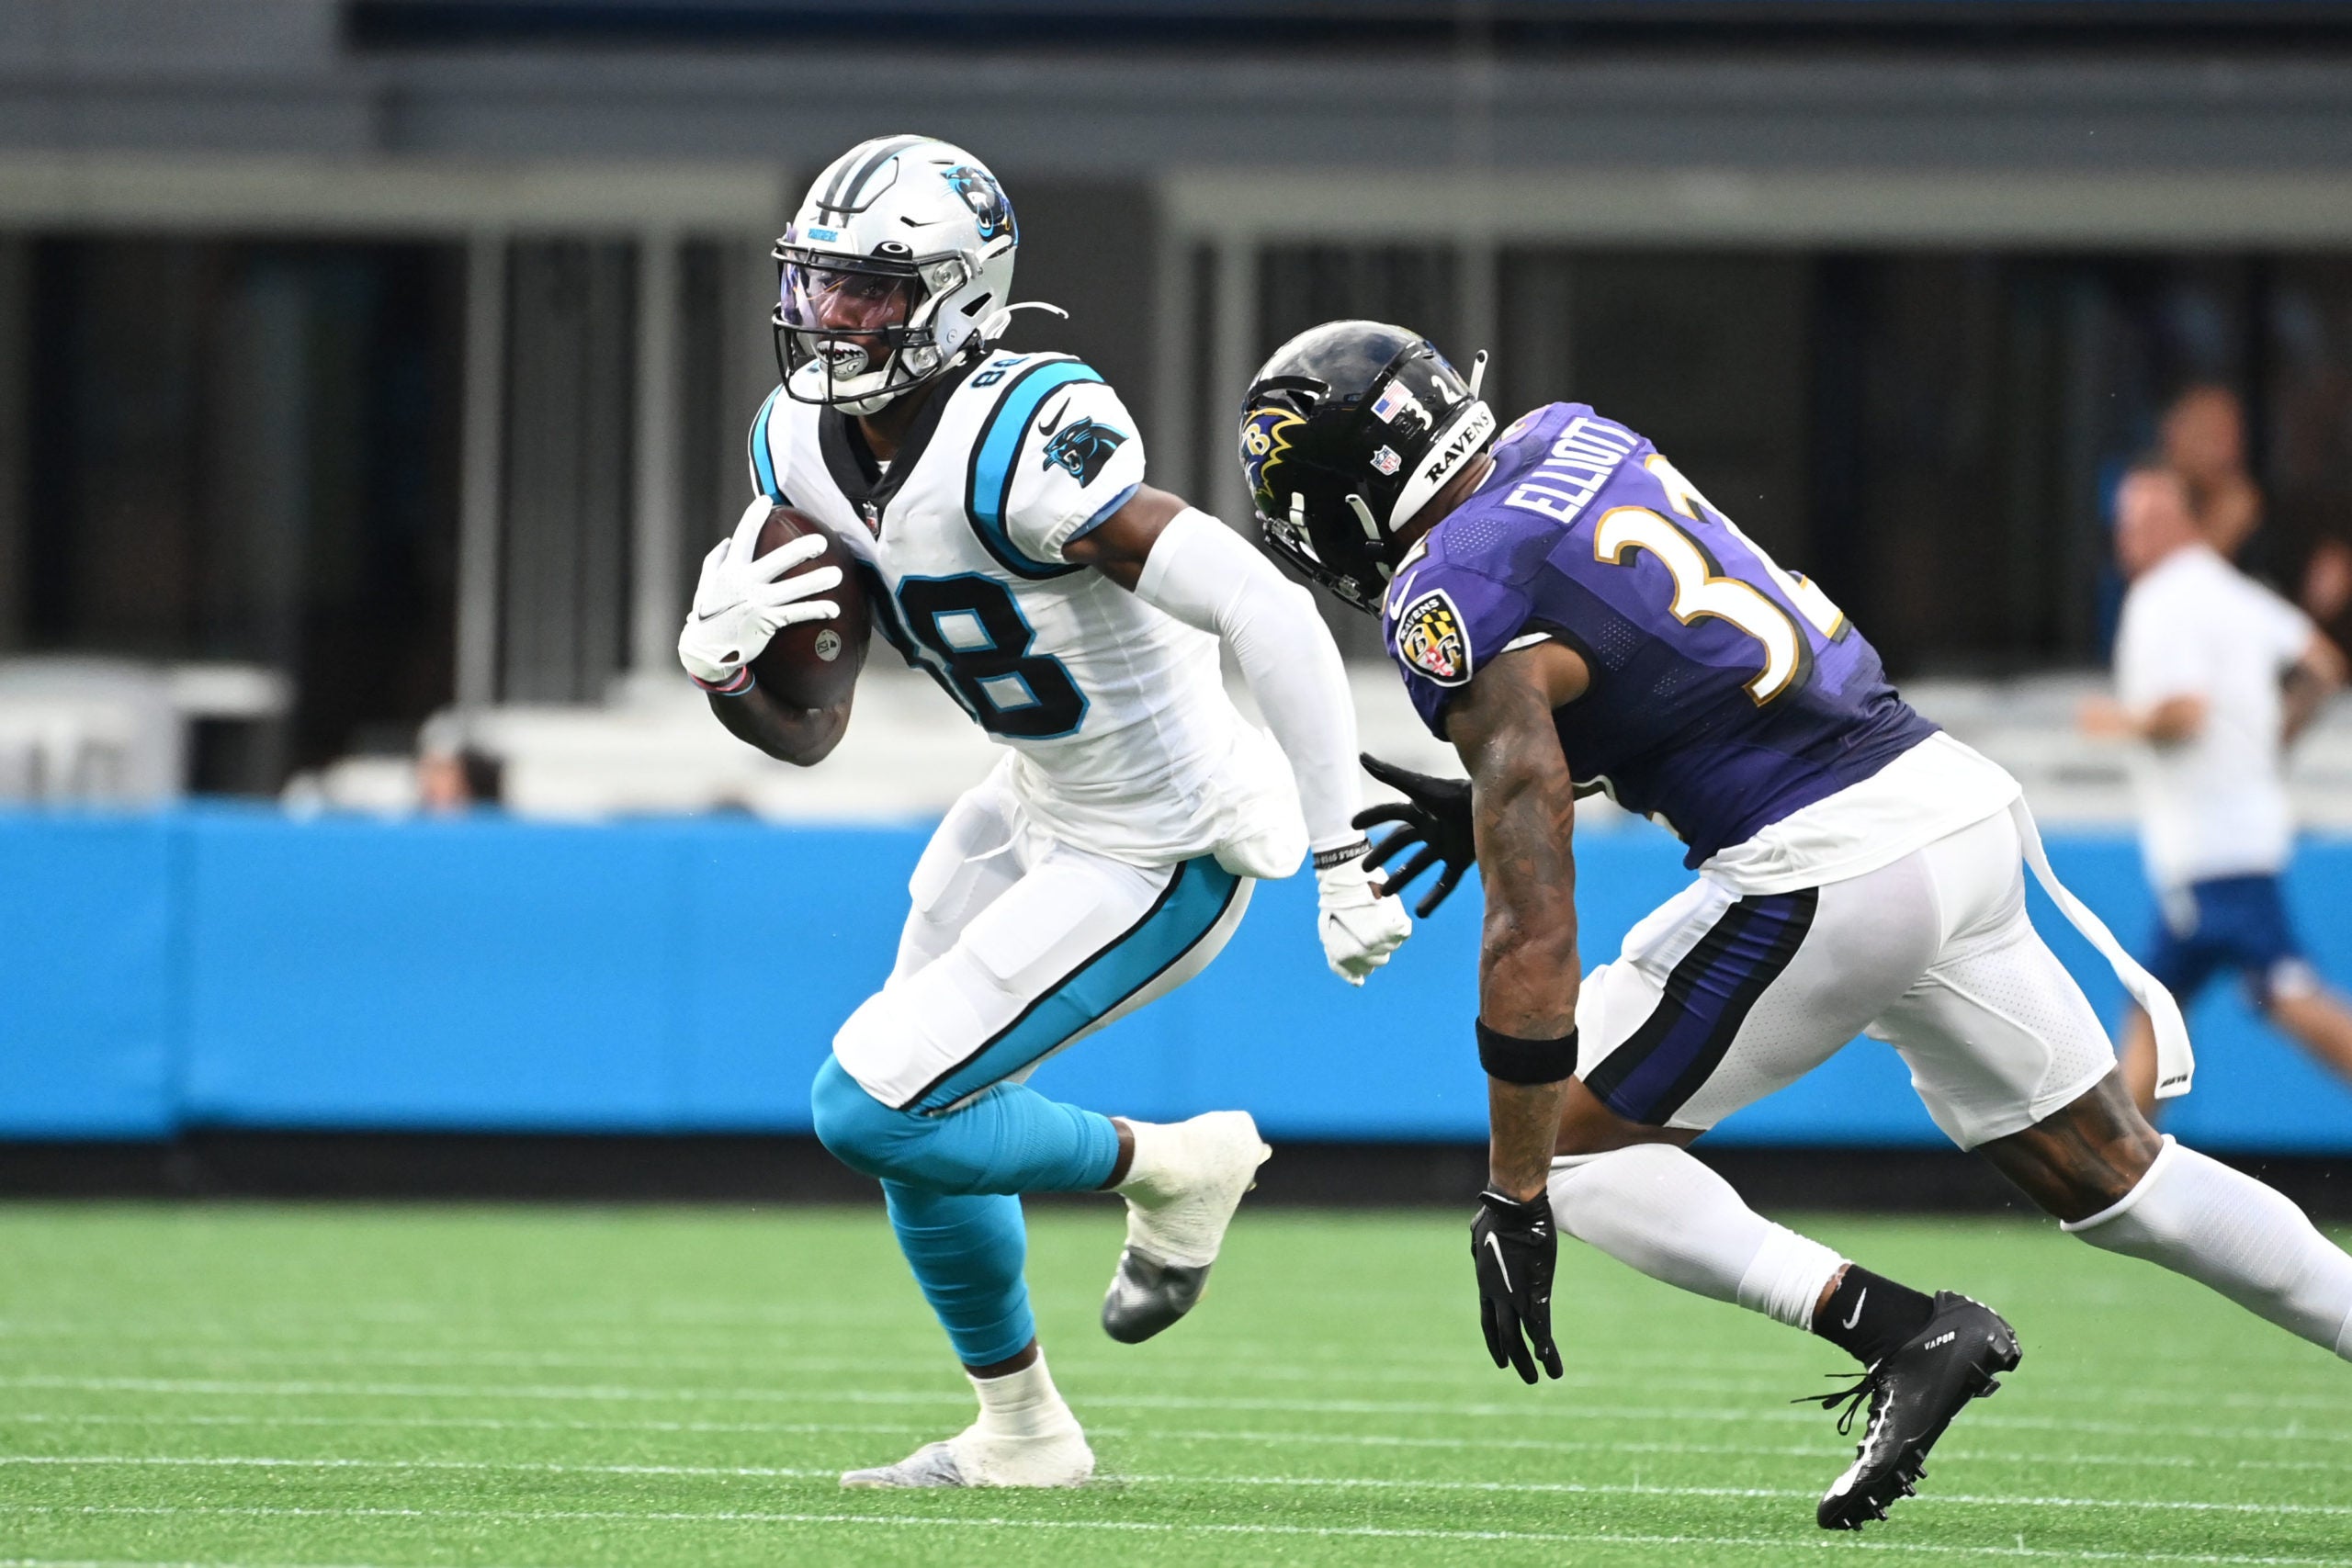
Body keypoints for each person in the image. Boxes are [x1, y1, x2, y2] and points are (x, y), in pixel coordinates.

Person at [1239, 320, 2352, 1531]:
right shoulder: (1567, 435)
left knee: (1558, 1142)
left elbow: (1532, 926)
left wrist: (1511, 1195)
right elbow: (1680, 658)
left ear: (1345, 497)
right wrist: (1521, 783)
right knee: (2118, 1173)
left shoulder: (1450, 590)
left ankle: (1904, 1329)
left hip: (1829, 864)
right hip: (1945, 804)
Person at [677, 140, 1411, 1491]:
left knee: (870, 1099)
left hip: (1165, 840)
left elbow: (1270, 606)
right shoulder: (795, 442)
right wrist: (724, 670)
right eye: (820, 282)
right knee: (917, 1122)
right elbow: (810, 731)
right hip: (1030, 801)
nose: (830, 315)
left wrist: (1345, 843)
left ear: (960, 297)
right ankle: (1023, 1433)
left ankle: (1177, 1162)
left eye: (869, 290)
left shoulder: (1030, 436)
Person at [2083, 459, 2352, 1113]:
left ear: (2176, 521)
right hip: (2239, 834)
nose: (2126, 539)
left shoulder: (2158, 600)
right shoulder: (2233, 590)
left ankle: (2114, 1172)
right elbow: (2323, 665)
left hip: (2210, 848)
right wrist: (2271, 742)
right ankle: (2117, 1173)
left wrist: (2115, 720)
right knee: (2157, 998)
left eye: (2140, 522)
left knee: (2284, 996)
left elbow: (2185, 712)